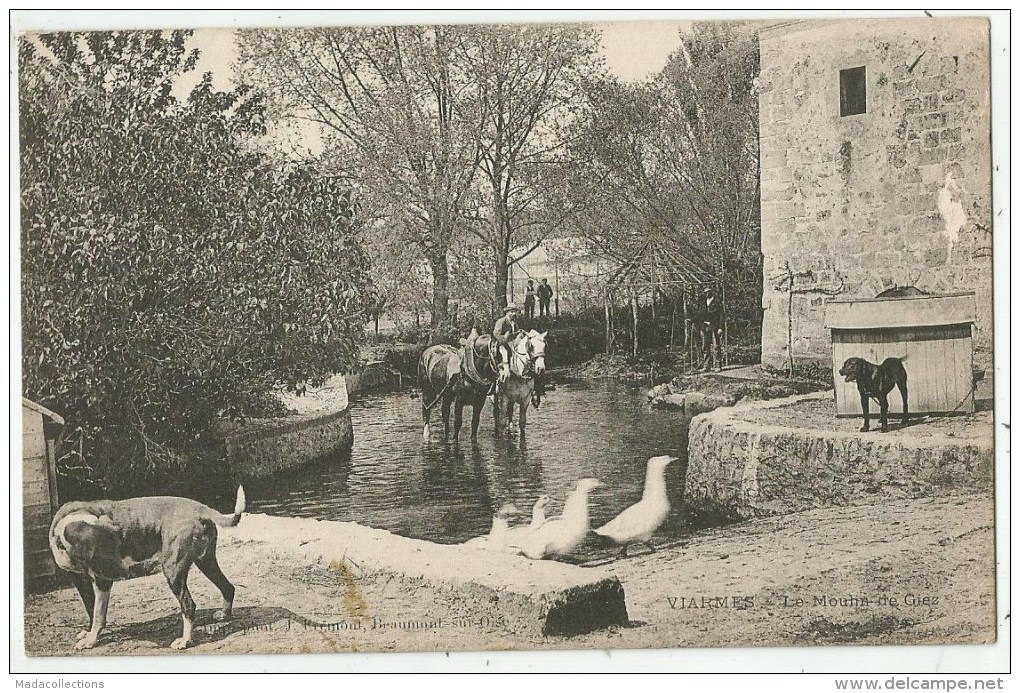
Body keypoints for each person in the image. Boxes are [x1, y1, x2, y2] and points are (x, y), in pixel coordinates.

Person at [491, 303, 522, 388]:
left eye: (515, 312)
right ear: (507, 312)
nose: (514, 314)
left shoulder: (514, 323)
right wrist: (504, 338)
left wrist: (519, 334)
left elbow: (515, 333)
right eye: (512, 312)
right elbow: (496, 334)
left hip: (512, 344)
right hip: (502, 345)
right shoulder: (502, 321)